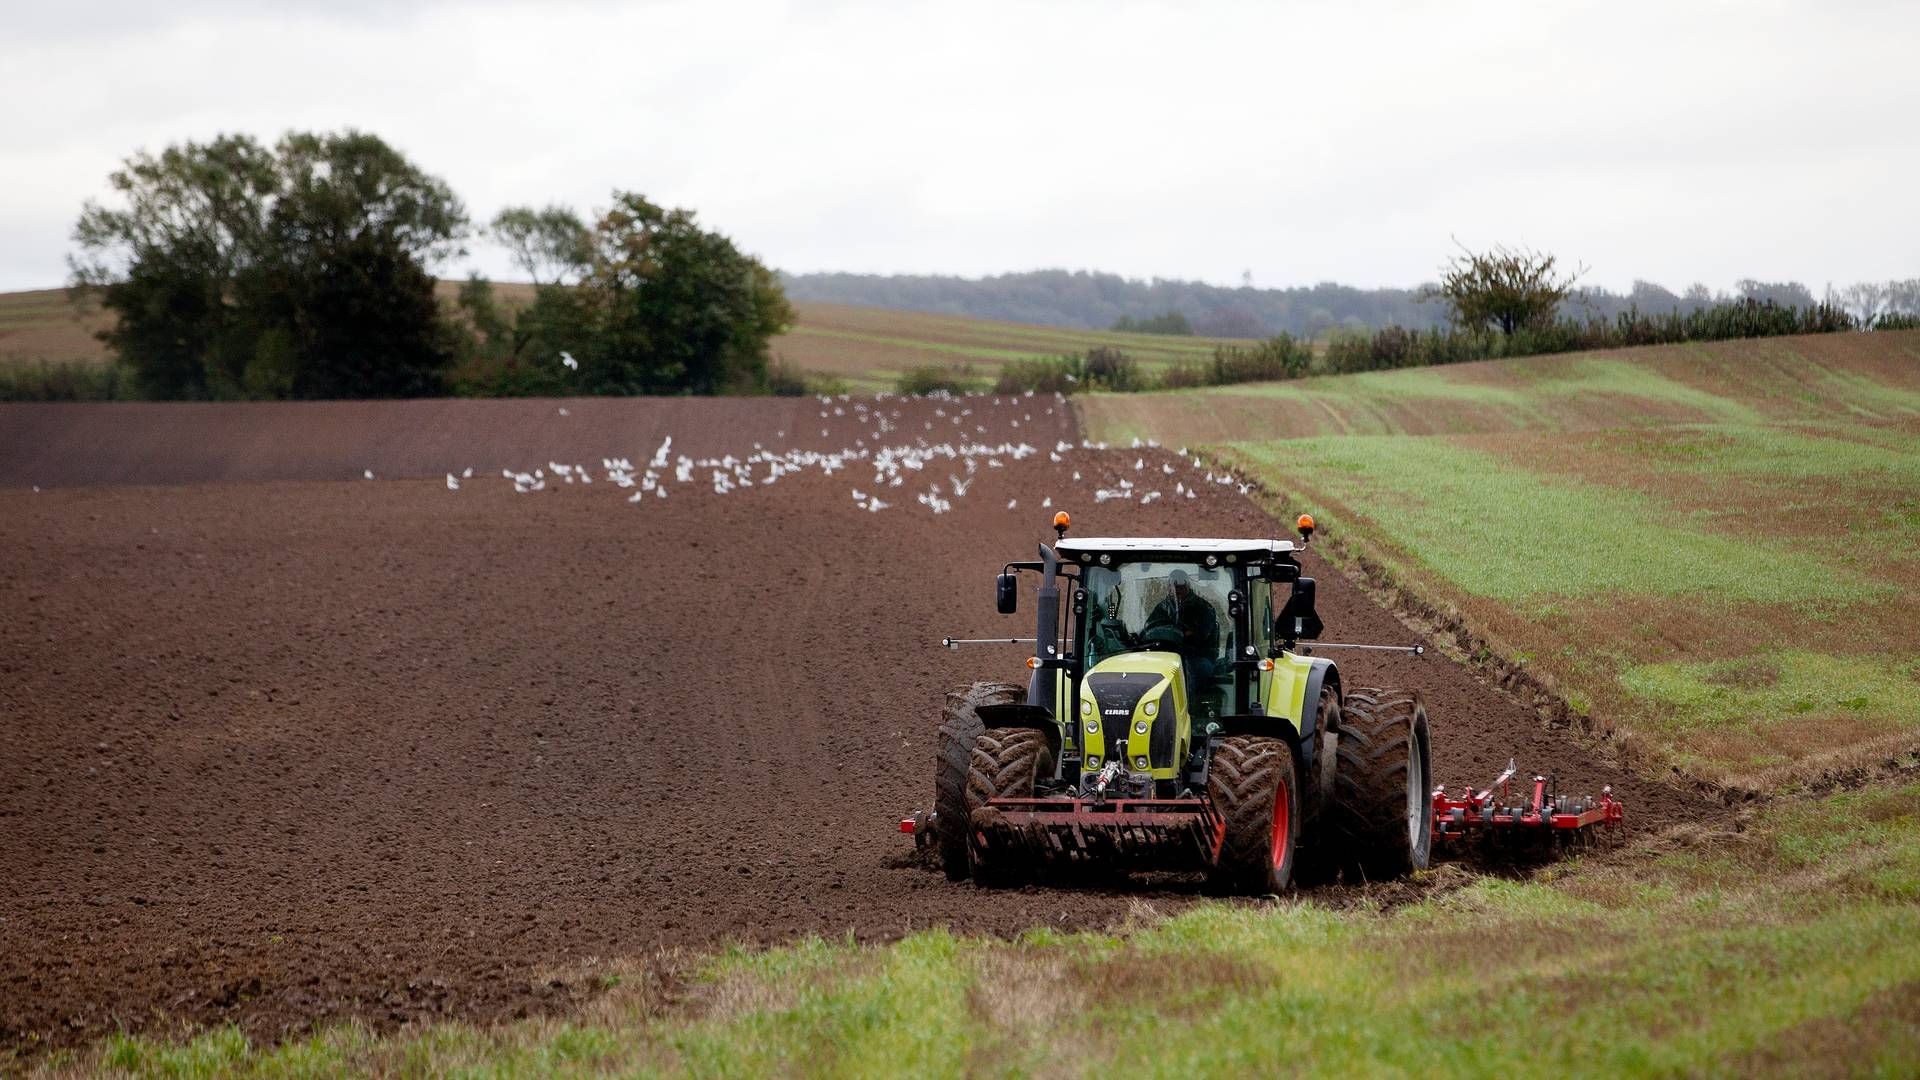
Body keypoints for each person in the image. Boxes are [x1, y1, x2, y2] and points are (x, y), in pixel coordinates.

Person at [1143, 569, 1222, 703]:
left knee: (1198, 670)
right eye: (1173, 587)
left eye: (1180, 587)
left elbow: (1203, 634)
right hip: (1164, 654)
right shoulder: (1163, 607)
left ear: (1187, 586)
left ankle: (1192, 705)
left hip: (1196, 655)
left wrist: (1184, 635)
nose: (1177, 590)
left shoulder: (1202, 607)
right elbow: (1149, 627)